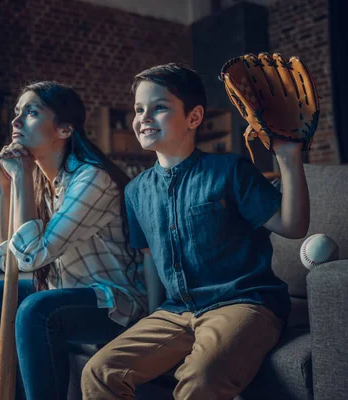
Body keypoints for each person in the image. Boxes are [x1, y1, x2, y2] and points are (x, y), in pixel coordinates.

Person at [81, 63, 310, 399]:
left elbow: (293, 226)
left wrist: (289, 157)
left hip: (243, 303)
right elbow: (151, 263)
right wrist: (151, 318)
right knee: (99, 372)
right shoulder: (134, 191)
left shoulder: (230, 170)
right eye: (139, 109)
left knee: (200, 377)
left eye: (159, 107)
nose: (144, 117)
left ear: (194, 117)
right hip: (176, 312)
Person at [0, 81, 147, 400]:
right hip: (62, 289)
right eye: (17, 112)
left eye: (30, 112)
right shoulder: (42, 182)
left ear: (65, 129)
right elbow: (10, 263)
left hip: (112, 301)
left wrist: (22, 180)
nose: (15, 122)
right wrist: (4, 190)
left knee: (36, 309)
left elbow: (31, 257)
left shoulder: (92, 178)